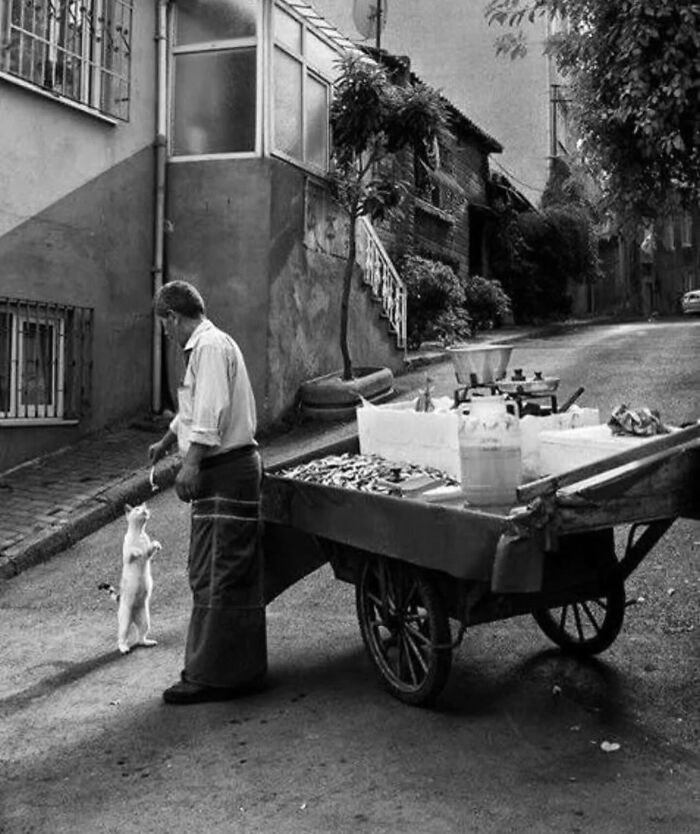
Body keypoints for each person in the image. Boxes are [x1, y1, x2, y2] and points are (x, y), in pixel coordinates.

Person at [148, 279, 266, 704]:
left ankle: (215, 677)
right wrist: (167, 441)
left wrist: (191, 463)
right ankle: (236, 669)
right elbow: (193, 410)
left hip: (225, 470)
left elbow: (212, 413)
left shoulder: (210, 347)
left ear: (174, 317)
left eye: (165, 324)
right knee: (215, 570)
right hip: (228, 471)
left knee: (220, 572)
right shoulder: (205, 348)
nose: (166, 332)